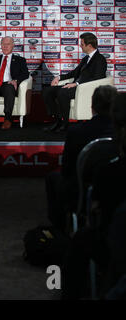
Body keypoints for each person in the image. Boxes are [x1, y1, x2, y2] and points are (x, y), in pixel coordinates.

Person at [61, 93, 126, 300]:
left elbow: (97, 209)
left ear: (93, 106)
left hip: (115, 247)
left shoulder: (108, 173)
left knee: (82, 238)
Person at [45, 85, 117, 231]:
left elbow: (67, 169)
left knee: (53, 178)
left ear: (92, 106)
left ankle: (60, 229)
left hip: (82, 190)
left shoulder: (77, 132)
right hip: (118, 186)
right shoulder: (120, 131)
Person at [43, 32, 107, 132]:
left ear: (89, 45)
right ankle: (57, 120)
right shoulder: (86, 58)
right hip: (77, 86)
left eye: (82, 44)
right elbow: (74, 73)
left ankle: (65, 124)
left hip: (86, 89)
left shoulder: (100, 59)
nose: (80, 46)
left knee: (62, 92)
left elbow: (97, 78)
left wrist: (77, 84)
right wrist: (59, 77)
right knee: (48, 91)